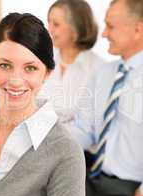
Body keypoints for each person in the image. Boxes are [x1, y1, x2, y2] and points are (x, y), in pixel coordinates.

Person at [0, 12, 86, 196]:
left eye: (30, 68)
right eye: (5, 65)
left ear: (47, 73)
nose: (16, 81)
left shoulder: (65, 152)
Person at [75, 0, 143, 196]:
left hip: (130, 190)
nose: (103, 34)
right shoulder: (103, 73)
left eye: (110, 27)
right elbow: (84, 129)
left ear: (138, 30)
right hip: (90, 178)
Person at [38, 0, 105, 134]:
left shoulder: (99, 69)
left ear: (76, 29)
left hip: (76, 150)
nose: (49, 29)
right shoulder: (41, 60)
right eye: (49, 22)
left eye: (56, 24)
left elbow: (91, 128)